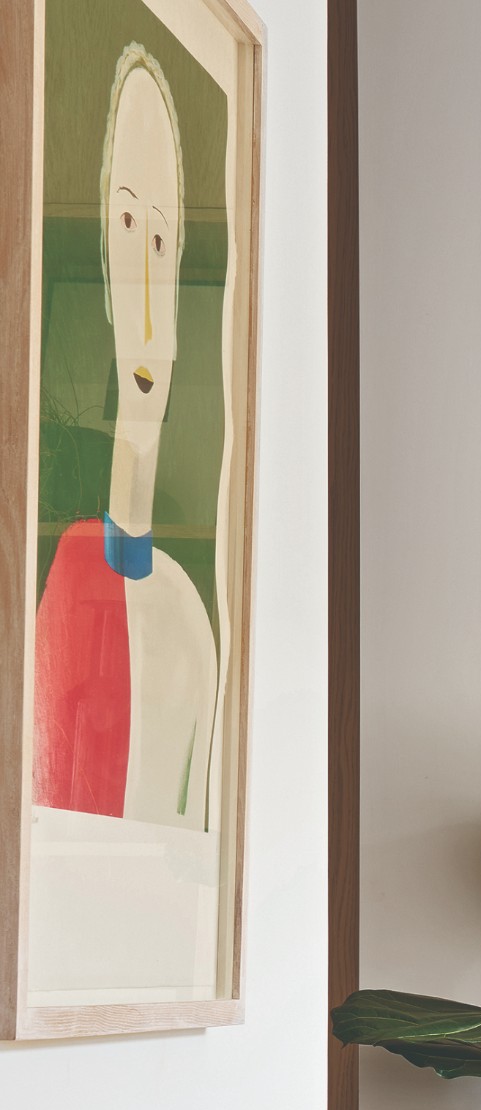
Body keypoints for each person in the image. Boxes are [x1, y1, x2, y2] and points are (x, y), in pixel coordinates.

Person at [35, 41, 219, 831]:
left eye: (161, 241)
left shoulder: (188, 620)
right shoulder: (60, 573)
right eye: (125, 222)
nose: (147, 296)